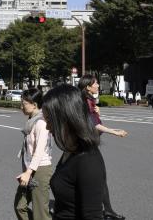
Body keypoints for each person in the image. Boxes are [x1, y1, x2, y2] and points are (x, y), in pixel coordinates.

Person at [42, 84, 104, 220]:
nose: (47, 127)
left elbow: (92, 216)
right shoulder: (70, 150)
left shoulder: (88, 160)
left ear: (66, 118)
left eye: (49, 121)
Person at [78, 75, 126, 220]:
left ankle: (107, 210)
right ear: (88, 87)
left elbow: (94, 122)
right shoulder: (85, 101)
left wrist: (99, 113)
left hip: (88, 145)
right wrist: (114, 131)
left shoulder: (88, 100)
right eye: (96, 83)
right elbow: (94, 125)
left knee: (97, 178)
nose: (98, 85)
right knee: (96, 178)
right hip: (86, 147)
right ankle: (102, 211)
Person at [14, 88, 53, 220]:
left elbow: (39, 151)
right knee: (20, 206)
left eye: (24, 104)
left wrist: (28, 172)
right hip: (29, 168)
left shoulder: (41, 123)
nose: (21, 107)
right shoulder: (32, 120)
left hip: (40, 169)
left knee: (40, 213)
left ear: (35, 105)